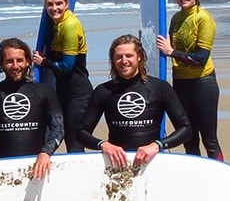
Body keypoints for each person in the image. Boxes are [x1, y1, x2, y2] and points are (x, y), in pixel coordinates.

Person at [76, 34, 193, 167]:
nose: (124, 61)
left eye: (128, 56)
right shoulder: (104, 91)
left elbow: (186, 129)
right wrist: (103, 145)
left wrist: (157, 145)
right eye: (118, 57)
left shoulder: (160, 87)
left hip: (152, 162)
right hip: (117, 164)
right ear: (113, 60)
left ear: (139, 57)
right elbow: (81, 132)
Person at [0, 38, 64, 188]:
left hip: (37, 170)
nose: (15, 66)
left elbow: (58, 129)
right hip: (1, 173)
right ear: (1, 64)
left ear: (28, 62)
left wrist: (46, 153)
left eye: (20, 60)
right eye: (10, 61)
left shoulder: (45, 92)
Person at [156, 0, 223, 159]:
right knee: (189, 137)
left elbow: (201, 57)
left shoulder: (203, 18)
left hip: (203, 83)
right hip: (181, 84)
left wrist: (172, 53)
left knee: (209, 138)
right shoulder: (176, 19)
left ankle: (218, 180)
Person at [32, 0, 91, 152]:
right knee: (64, 137)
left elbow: (67, 65)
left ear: (67, 4)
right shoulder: (57, 24)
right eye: (50, 4)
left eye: (58, 3)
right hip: (64, 90)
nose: (54, 8)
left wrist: (44, 63)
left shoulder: (69, 25)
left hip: (78, 93)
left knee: (75, 142)